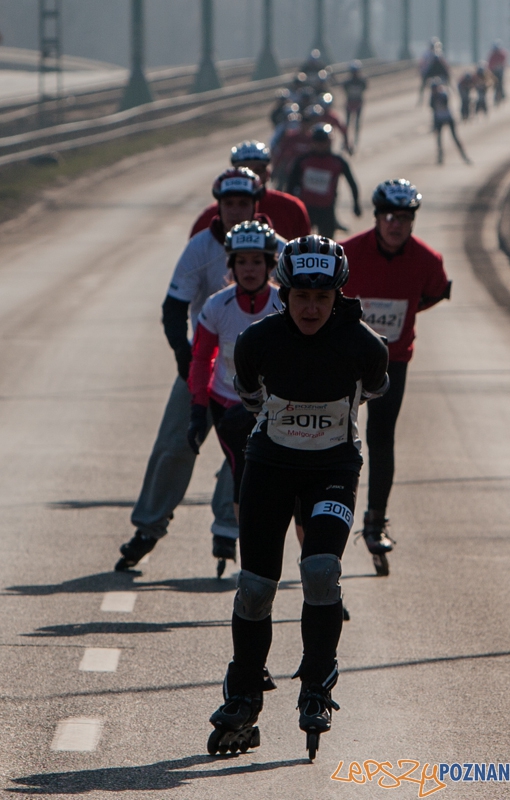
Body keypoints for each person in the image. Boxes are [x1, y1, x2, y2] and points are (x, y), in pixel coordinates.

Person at [207, 235, 389, 760]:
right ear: (283, 293)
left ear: (337, 296)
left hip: (331, 469)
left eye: (322, 297)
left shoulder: (363, 345)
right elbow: (246, 394)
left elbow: (375, 387)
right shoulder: (257, 340)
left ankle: (317, 682)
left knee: (320, 570)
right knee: (256, 585)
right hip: (270, 468)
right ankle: (242, 692)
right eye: (300, 296)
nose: (310, 307)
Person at [114, 167, 268, 573]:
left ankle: (228, 525)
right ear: (219, 206)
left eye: (244, 204)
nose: (236, 211)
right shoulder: (202, 246)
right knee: (175, 442)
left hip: (264, 376)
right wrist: (185, 357)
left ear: (257, 205)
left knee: (248, 453)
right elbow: (172, 307)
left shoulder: (278, 250)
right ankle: (149, 525)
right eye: (229, 204)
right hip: (207, 357)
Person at [340, 179, 451, 576]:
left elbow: (436, 292)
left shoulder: (427, 260)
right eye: (389, 217)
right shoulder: (349, 253)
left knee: (381, 437)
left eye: (404, 218)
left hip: (392, 359)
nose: (396, 225)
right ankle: (328, 513)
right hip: (345, 360)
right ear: (377, 217)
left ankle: (375, 520)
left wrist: (406, 314)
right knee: (336, 436)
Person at [186, 221, 281, 574]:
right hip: (228, 404)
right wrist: (198, 410)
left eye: (257, 261)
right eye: (242, 262)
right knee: (244, 472)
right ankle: (251, 560)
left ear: (270, 264)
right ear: (231, 265)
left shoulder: (284, 304)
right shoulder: (217, 305)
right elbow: (201, 358)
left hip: (275, 408)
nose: (250, 269)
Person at [189, 141, 311, 242]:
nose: (251, 176)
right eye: (244, 169)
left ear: (268, 173)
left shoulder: (292, 208)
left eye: (258, 170)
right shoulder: (209, 217)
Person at [287, 124, 361, 239]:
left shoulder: (338, 162)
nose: (320, 145)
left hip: (327, 210)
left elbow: (352, 183)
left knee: (327, 245)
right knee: (300, 243)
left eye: (323, 141)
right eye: (317, 141)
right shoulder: (302, 161)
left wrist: (356, 204)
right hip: (306, 209)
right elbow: (291, 185)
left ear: (330, 142)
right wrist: (290, 208)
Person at [429, 78, 471, 165]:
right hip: (439, 119)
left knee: (455, 138)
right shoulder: (432, 97)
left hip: (448, 118)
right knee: (439, 139)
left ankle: (464, 156)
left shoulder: (442, 94)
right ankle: (440, 157)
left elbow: (445, 101)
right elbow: (433, 109)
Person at [343, 60, 367, 146]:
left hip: (358, 103)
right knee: (347, 122)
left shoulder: (362, 81)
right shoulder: (347, 82)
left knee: (357, 122)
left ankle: (356, 138)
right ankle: (345, 139)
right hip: (350, 103)